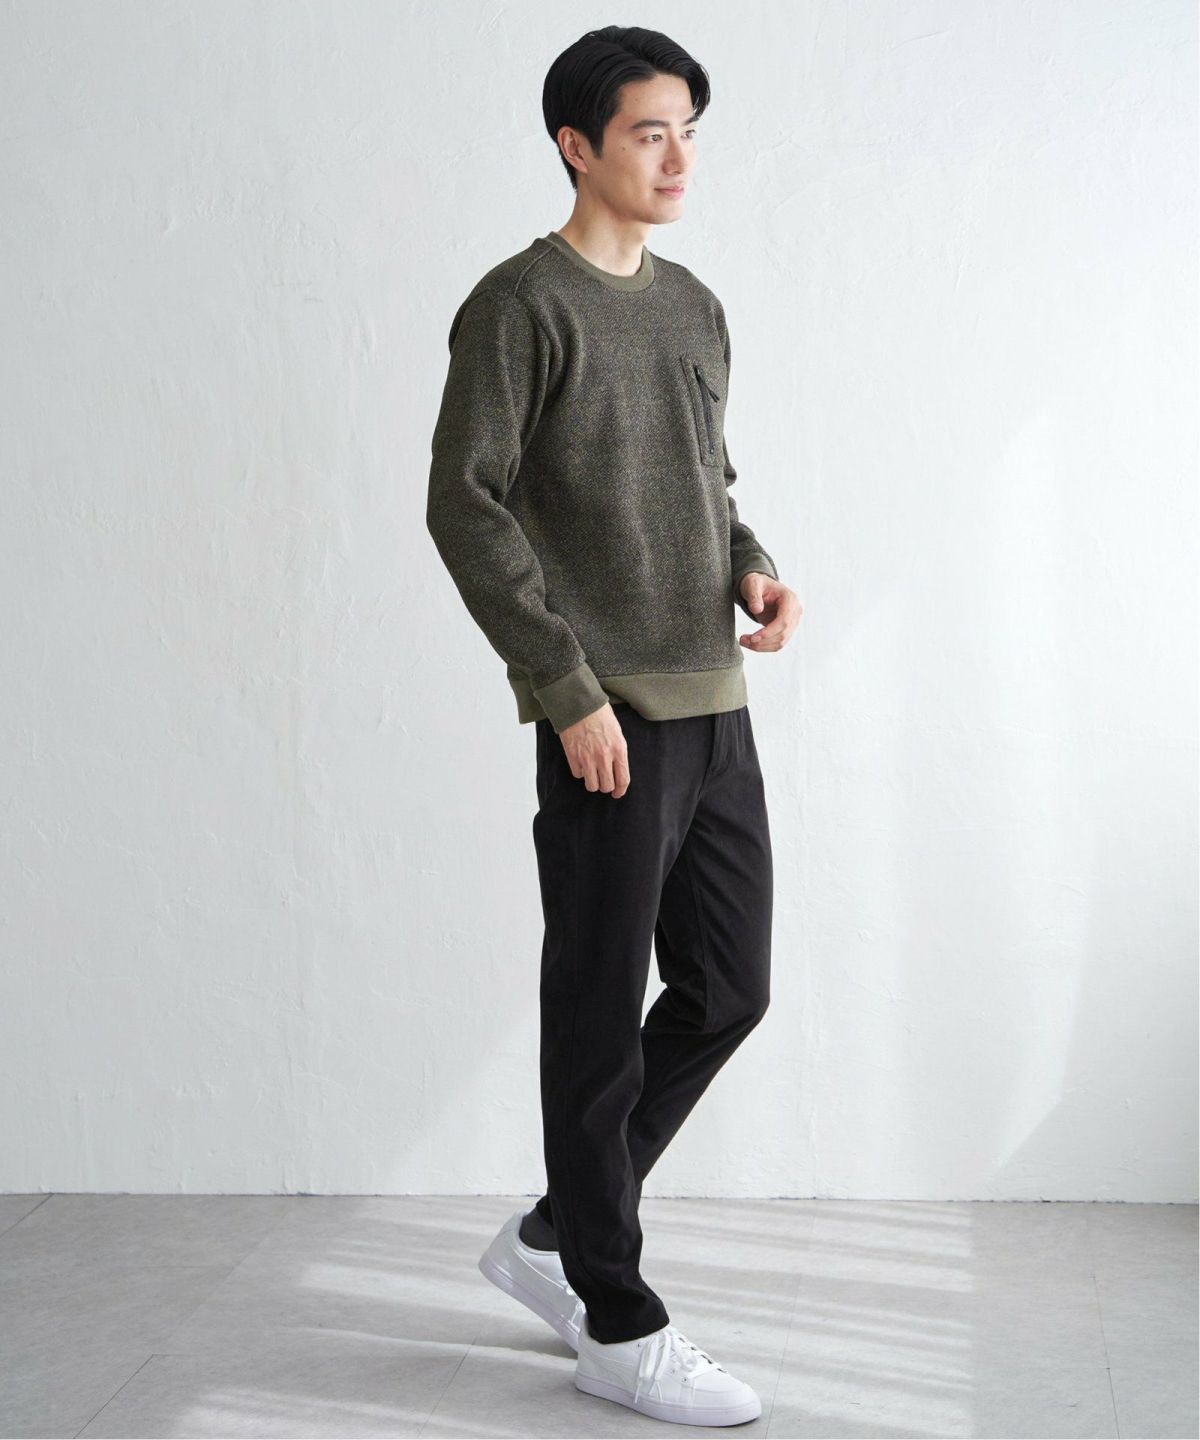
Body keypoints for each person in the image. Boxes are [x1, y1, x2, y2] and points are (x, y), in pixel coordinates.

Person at [426, 23, 802, 1428]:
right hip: (609, 720)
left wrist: (751, 566)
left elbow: (707, 482)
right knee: (595, 1012)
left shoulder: (695, 305)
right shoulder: (519, 306)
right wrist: (565, 687)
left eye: (689, 130)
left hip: (714, 701)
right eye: (651, 132)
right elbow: (465, 504)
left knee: (728, 989)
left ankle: (556, 1232)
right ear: (577, 146)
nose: (679, 157)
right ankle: (616, 1318)